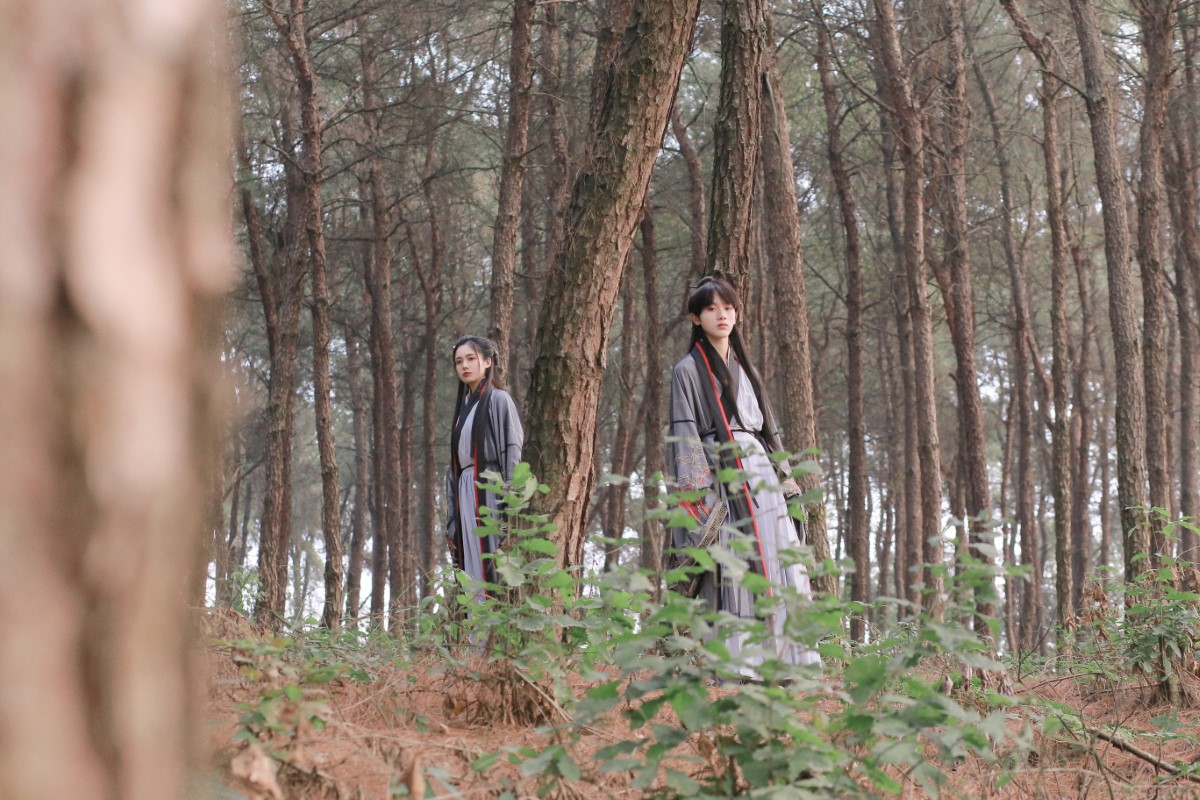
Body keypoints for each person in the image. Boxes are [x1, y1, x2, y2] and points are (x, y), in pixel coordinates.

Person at [668, 276, 819, 670]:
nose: (722, 315)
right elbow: (685, 434)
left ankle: (787, 660)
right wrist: (701, 495)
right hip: (721, 473)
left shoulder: (747, 369)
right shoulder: (687, 370)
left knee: (777, 555)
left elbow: (770, 430)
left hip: (760, 470)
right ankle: (738, 662)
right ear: (696, 318)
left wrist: (785, 477)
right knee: (733, 562)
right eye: (711, 309)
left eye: (728, 308)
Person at [445, 335, 524, 597]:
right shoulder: (463, 409)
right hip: (465, 493)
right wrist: (452, 518)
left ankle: (493, 621)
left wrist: (510, 504)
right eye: (459, 361)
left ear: (488, 362)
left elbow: (511, 450)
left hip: (489, 492)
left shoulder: (499, 400)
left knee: (491, 563)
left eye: (471, 358)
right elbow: (454, 467)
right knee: (470, 566)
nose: (464, 366)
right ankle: (475, 623)